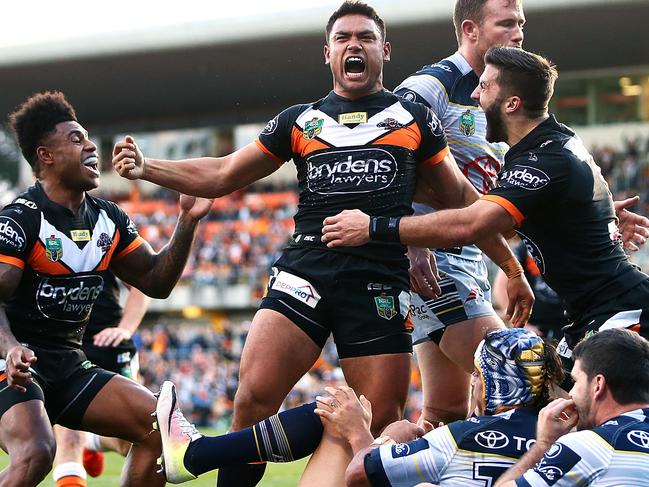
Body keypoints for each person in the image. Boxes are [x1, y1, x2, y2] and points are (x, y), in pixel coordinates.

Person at [112, 2, 533, 485]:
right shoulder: (299, 120)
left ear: (385, 51)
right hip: (304, 273)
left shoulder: (413, 115)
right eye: (344, 38)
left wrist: (512, 268)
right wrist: (148, 168)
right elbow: (224, 171)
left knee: (374, 420)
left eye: (366, 37)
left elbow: (464, 201)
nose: (354, 45)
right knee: (251, 400)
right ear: (327, 54)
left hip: (378, 285)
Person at [321, 46, 649, 370]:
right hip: (589, 314)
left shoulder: (543, 161)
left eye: (485, 86)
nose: (476, 94)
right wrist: (588, 215)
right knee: (542, 404)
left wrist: (373, 227)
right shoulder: (549, 142)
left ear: (512, 104)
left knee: (538, 392)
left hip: (619, 311)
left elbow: (473, 224)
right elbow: (515, 219)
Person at [0, 91, 212, 486]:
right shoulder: (19, 220)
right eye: (76, 139)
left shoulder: (108, 218)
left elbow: (155, 281)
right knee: (36, 453)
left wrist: (187, 221)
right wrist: (9, 347)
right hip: (13, 367)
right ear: (46, 156)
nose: (91, 145)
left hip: (67, 364)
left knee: (157, 429)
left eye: (87, 137)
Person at [146, 327, 562, 486]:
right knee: (343, 419)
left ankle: (197, 455)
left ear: (491, 382)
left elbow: (364, 473)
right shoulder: (565, 443)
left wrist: (376, 437)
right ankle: (196, 456)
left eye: (478, 374)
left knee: (343, 415)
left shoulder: (459, 437)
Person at [391, 0, 525, 424]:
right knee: (522, 381)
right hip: (434, 256)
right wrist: (411, 242)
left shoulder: (501, 96)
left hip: (473, 256)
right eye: (506, 24)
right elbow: (386, 156)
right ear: (470, 30)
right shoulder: (433, 85)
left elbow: (501, 194)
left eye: (521, 23)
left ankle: (371, 465)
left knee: (445, 413)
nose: (518, 33)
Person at [495, 328, 649, 486]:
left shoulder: (591, 445)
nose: (571, 394)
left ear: (598, 385)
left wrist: (544, 444)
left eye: (575, 382)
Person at [52, 281, 150, 485]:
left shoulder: (106, 246)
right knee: (69, 439)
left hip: (109, 343)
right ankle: (79, 438)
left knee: (130, 441)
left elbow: (142, 284)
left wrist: (125, 329)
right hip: (61, 347)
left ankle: (90, 440)